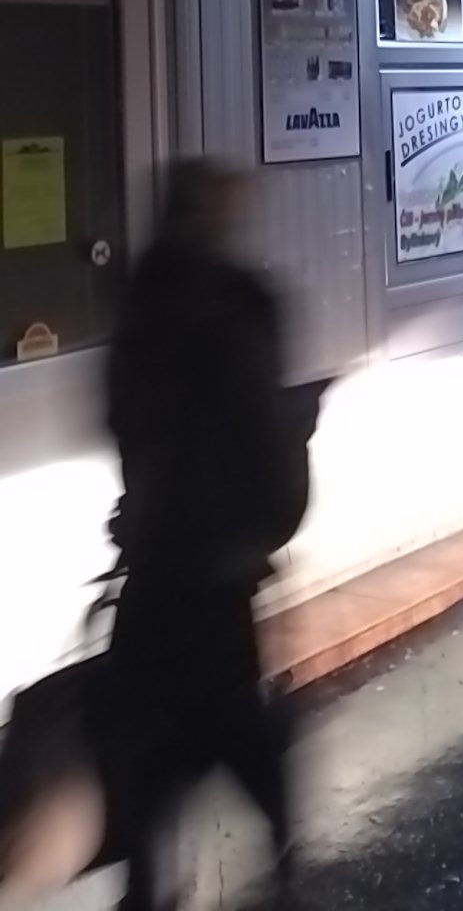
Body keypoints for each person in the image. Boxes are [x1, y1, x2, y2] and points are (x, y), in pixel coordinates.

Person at [102, 160, 303, 911]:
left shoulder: (145, 296)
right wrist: (269, 523)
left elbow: (124, 419)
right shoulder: (238, 303)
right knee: (223, 710)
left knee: (150, 716)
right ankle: (278, 841)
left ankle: (147, 878)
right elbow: (260, 430)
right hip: (215, 557)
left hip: (161, 551)